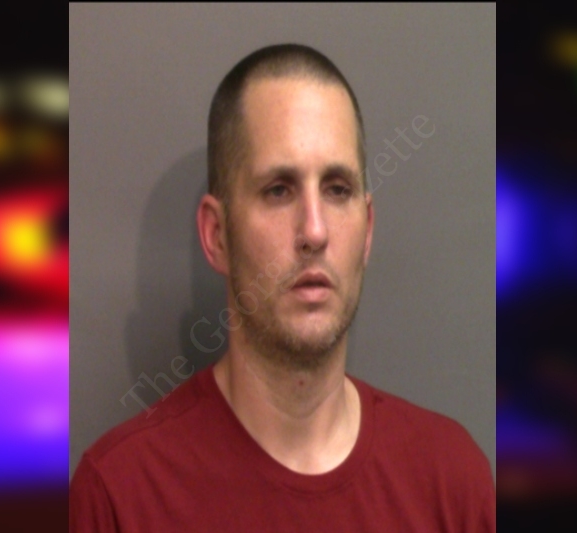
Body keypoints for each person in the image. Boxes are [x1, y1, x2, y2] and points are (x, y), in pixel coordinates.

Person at [70, 43, 495, 532]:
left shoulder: (452, 483)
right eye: (278, 190)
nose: (314, 231)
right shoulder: (121, 496)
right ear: (217, 235)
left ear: (367, 231)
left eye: (337, 189)